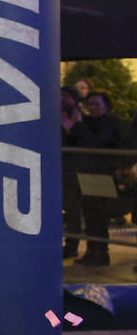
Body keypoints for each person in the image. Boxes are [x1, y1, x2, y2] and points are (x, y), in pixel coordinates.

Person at [67, 91, 123, 266]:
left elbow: (95, 143)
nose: (92, 108)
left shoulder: (111, 123)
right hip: (85, 173)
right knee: (90, 215)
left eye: (96, 104)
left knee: (99, 215)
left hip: (102, 174)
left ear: (106, 106)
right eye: (89, 104)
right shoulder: (87, 122)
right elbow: (73, 142)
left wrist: (77, 125)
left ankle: (100, 253)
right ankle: (93, 251)